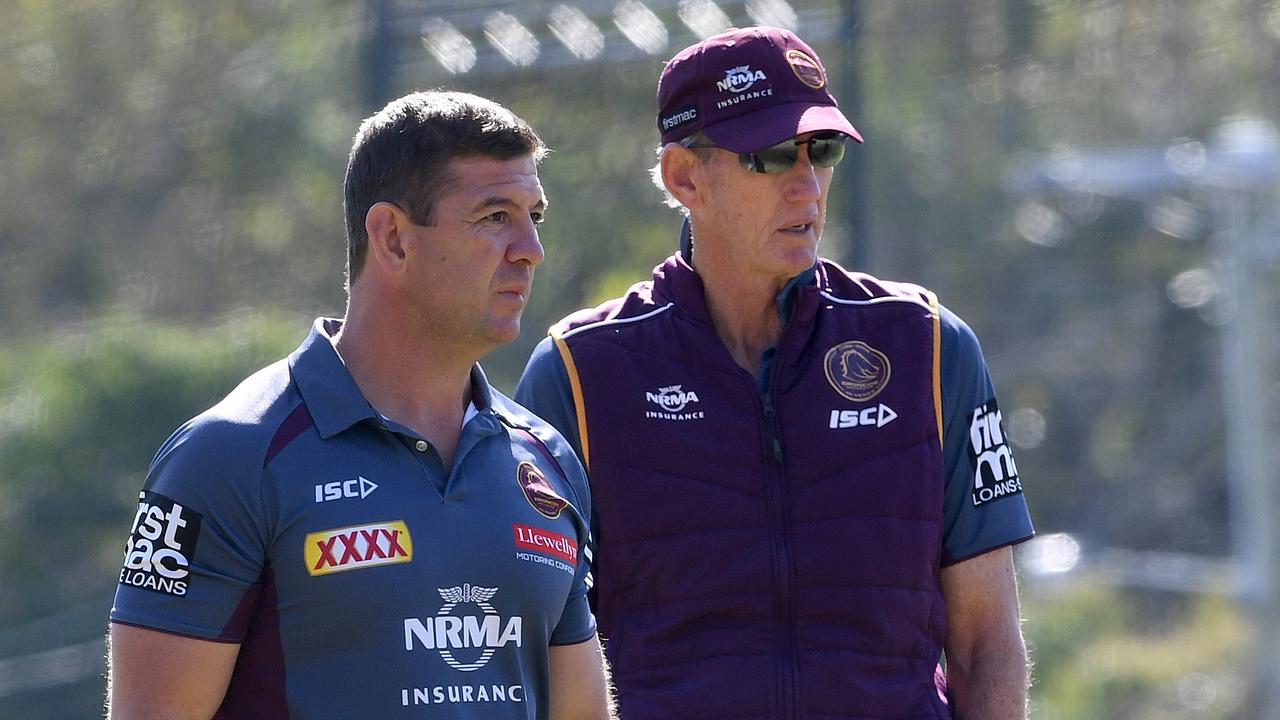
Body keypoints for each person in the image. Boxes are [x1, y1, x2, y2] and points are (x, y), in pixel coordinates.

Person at [516, 26, 1034, 720]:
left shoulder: (930, 346)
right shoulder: (578, 373)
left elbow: (986, 642)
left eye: (821, 151)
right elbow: (534, 653)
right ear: (683, 177)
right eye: (769, 156)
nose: (806, 185)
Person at [107, 91, 615, 720]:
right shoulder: (227, 455)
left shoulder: (548, 461)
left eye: (535, 215)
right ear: (393, 238)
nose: (530, 248)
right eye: (494, 216)